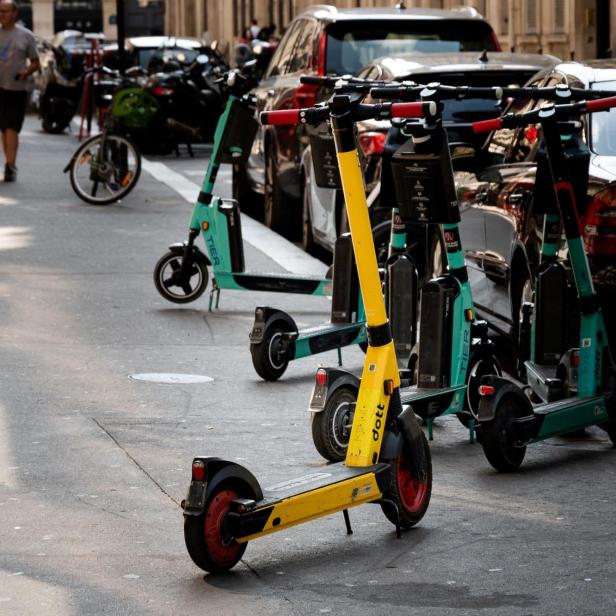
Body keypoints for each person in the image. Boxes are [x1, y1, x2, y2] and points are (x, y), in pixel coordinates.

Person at [0, 0, 39, 182]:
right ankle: (9, 163)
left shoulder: (26, 36)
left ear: (14, 13)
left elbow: (35, 63)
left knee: (11, 126)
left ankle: (10, 166)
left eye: (5, 11)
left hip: (17, 88)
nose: (2, 15)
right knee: (4, 127)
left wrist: (26, 72)